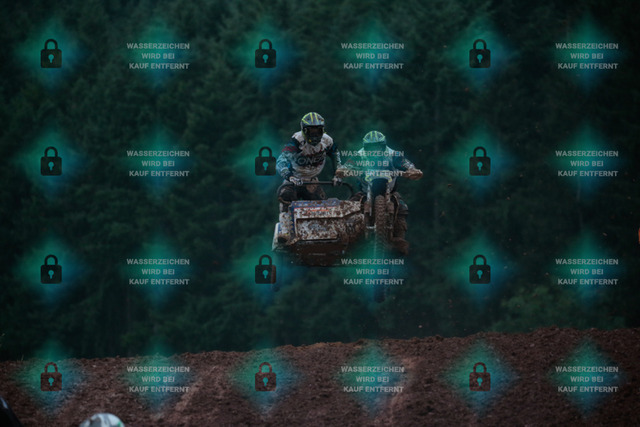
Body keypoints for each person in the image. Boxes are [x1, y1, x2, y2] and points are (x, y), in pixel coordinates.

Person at [338, 130, 422, 254]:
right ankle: (348, 240)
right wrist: (343, 170)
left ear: (383, 146)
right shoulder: (359, 155)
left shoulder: (393, 154)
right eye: (371, 148)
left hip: (390, 191)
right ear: (366, 147)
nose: (374, 151)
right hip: (364, 191)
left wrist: (413, 170)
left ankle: (399, 239)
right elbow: (347, 166)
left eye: (377, 147)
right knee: (349, 209)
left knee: (401, 207)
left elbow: (406, 164)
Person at [275, 112, 342, 213]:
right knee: (286, 199)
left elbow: (335, 155)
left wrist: (337, 175)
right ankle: (286, 221)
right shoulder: (297, 141)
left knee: (322, 210)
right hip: (293, 180)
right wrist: (290, 176)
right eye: (311, 131)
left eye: (318, 131)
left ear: (323, 130)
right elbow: (281, 161)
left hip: (312, 180)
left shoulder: (327, 141)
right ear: (304, 130)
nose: (315, 135)